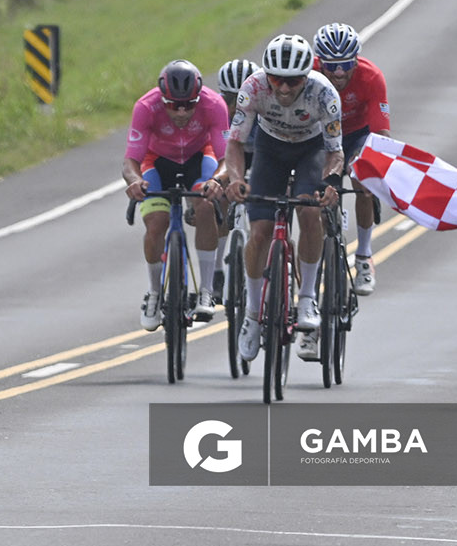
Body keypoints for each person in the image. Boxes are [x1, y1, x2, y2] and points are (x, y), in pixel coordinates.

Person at [225, 34, 343, 364]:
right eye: (277, 79)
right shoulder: (253, 88)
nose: (285, 89)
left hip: (310, 150)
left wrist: (330, 182)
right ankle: (251, 315)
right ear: (267, 77)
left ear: (307, 77)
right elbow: (235, 144)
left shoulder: (325, 94)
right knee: (260, 233)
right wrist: (236, 180)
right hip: (269, 149)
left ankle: (306, 298)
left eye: (293, 81)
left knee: (309, 211)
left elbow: (335, 153)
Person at [122, 59, 228, 330]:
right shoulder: (146, 107)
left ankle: (205, 289)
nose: (181, 112)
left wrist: (217, 180)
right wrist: (135, 182)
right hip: (157, 161)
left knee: (206, 206)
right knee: (157, 222)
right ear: (162, 97)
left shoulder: (214, 105)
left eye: (189, 104)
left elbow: (227, 158)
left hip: (198, 158)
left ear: (198, 97)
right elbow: (131, 161)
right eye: (173, 105)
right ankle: (154, 293)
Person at [311, 22, 390, 295]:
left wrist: (370, 160)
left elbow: (381, 133)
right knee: (320, 191)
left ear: (356, 59)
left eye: (346, 64)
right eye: (331, 66)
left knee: (363, 179)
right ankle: (326, 239)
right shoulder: (307, 76)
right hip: (321, 138)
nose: (340, 72)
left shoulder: (371, 77)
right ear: (319, 63)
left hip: (357, 134)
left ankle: (364, 257)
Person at [211, 58, 258, 300]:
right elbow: (217, 154)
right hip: (232, 153)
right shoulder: (218, 110)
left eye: (241, 99)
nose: (236, 106)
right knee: (220, 196)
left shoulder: (263, 105)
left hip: (261, 154)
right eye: (229, 99)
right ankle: (217, 269)